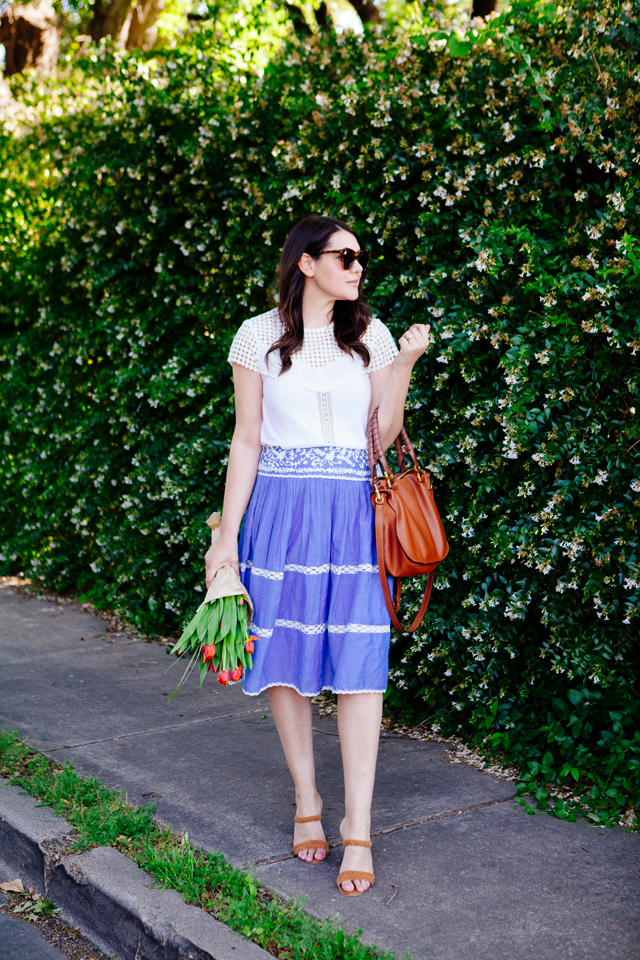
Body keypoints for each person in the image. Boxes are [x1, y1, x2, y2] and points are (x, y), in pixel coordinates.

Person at [205, 214, 430, 896]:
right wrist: (227, 544)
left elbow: (382, 439)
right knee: (286, 656)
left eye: (361, 258)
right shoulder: (258, 337)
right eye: (344, 256)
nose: (358, 267)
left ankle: (357, 827)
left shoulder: (374, 336)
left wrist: (408, 366)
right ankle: (308, 799)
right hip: (282, 512)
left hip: (354, 513)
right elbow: (248, 441)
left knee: (362, 663)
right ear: (306, 263)